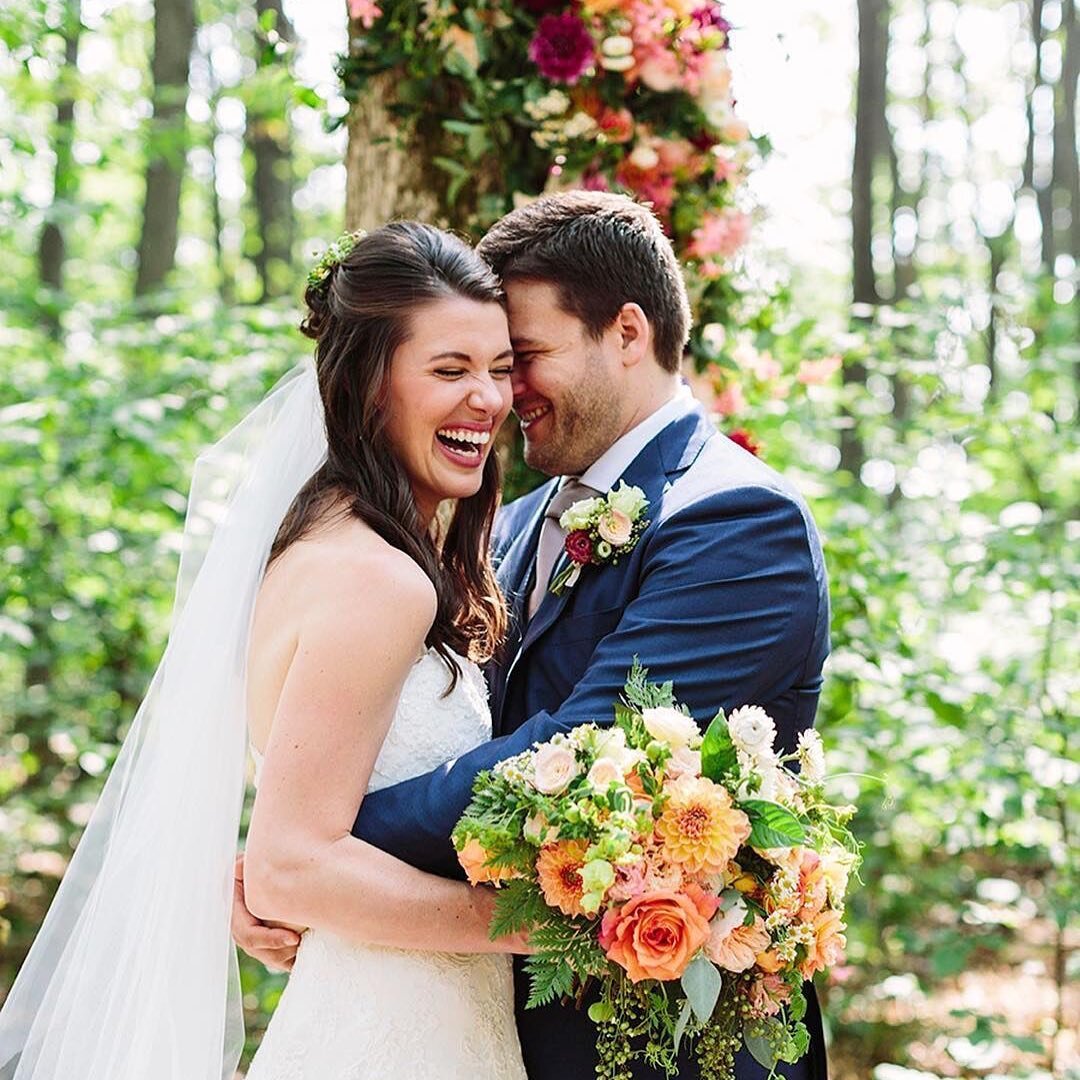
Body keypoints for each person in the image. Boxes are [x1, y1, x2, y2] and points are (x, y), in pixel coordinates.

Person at [235, 191, 832, 1079]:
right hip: (482, 1017)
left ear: (626, 332)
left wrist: (308, 850)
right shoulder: (508, 526)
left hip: (663, 1043)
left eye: (524, 357)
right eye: (471, 366)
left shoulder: (741, 521)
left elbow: (578, 752)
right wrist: (293, 848)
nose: (505, 394)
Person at [0, 222, 530, 1080]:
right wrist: (530, 917)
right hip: (397, 1031)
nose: (489, 399)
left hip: (381, 1005)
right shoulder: (380, 580)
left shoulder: (316, 540)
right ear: (366, 386)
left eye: (500, 369)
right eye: (450, 370)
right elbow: (290, 868)